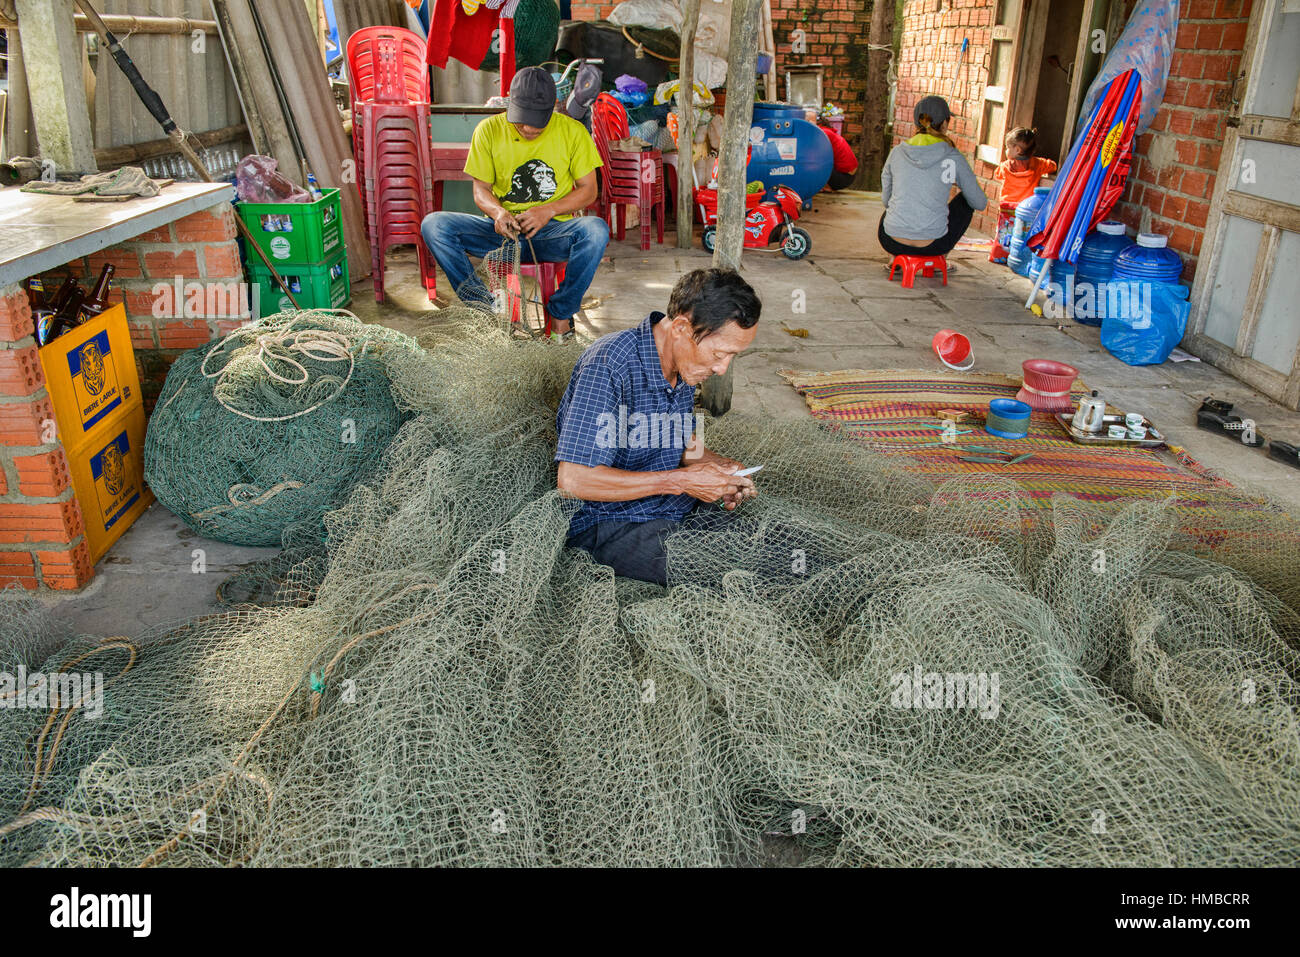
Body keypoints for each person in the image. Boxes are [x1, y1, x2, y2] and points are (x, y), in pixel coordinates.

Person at [555, 268, 763, 585]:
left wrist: (720, 467)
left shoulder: (684, 363)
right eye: (720, 354)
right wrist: (681, 481)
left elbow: (680, 439)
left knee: (763, 540)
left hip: (667, 508)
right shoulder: (609, 364)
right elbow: (573, 480)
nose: (722, 369)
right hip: (609, 521)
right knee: (727, 568)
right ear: (681, 327)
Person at [420, 66, 609, 342]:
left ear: (552, 108)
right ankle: (486, 310)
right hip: (502, 233)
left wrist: (548, 210)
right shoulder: (488, 130)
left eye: (537, 121)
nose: (529, 128)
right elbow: (480, 190)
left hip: (551, 233)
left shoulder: (572, 132)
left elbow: (589, 190)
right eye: (522, 120)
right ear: (511, 104)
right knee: (434, 225)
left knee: (595, 231)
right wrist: (498, 212)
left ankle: (560, 313)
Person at [879, 95, 987, 257]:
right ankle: (938, 260)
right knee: (966, 201)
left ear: (917, 122)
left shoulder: (897, 152)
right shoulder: (952, 156)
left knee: (896, 203)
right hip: (933, 245)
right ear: (944, 123)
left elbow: (886, 201)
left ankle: (896, 259)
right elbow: (979, 202)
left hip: (891, 242)